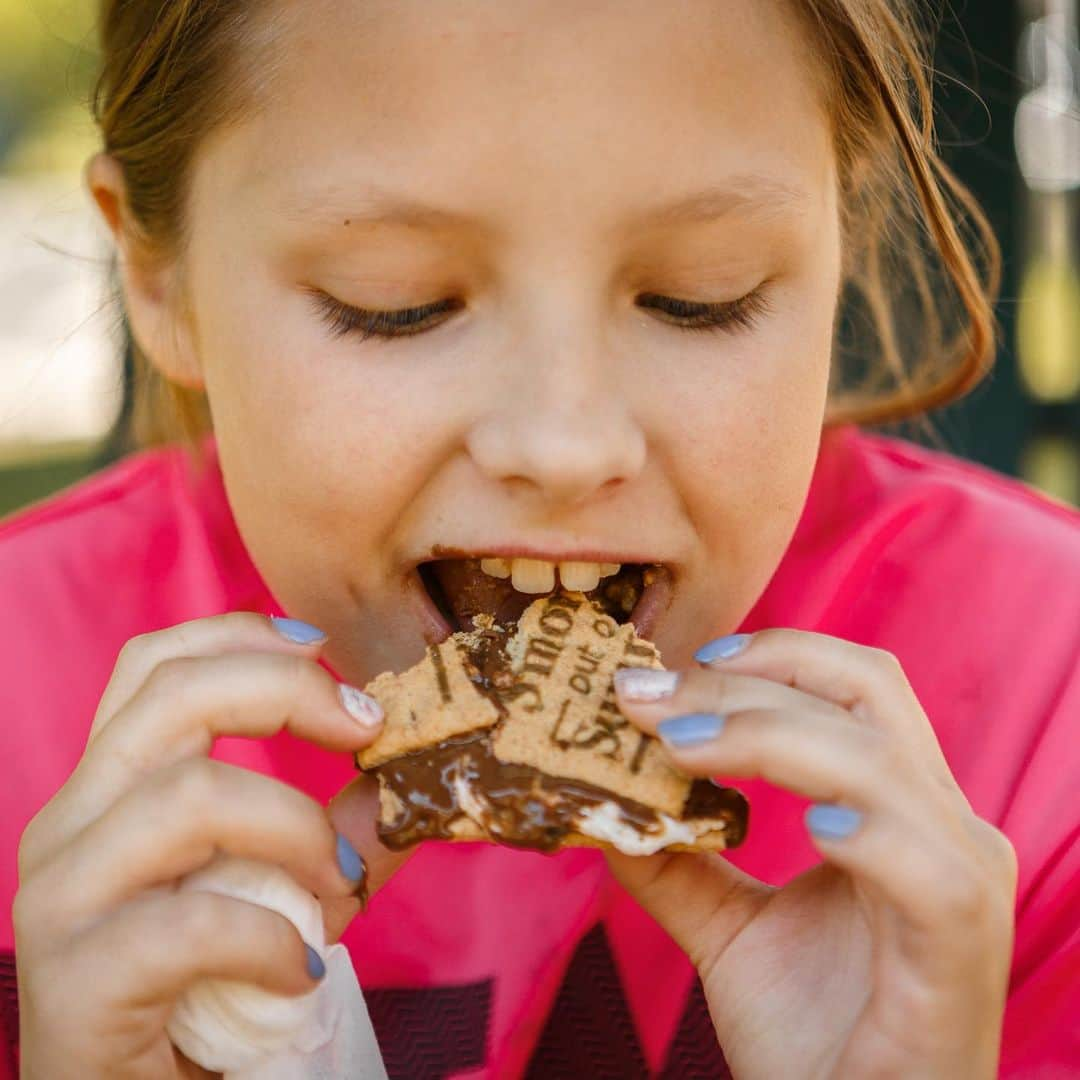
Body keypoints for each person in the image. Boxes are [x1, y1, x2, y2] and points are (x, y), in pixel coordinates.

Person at [1, 0, 1077, 1076]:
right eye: (396, 303)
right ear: (158, 271)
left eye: (701, 298)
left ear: (842, 241)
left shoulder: (1049, 707)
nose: (566, 446)